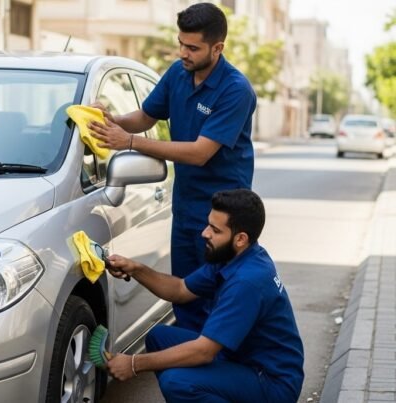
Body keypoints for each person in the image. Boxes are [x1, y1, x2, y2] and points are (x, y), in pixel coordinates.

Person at [89, 2, 257, 331]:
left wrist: (130, 142)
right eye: (181, 43)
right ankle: (190, 372)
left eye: (193, 47)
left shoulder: (236, 90)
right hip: (186, 208)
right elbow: (144, 117)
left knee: (219, 302)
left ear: (218, 47)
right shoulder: (178, 73)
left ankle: (217, 373)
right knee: (184, 298)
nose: (183, 53)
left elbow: (200, 153)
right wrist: (112, 121)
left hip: (223, 215)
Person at [104, 189, 304, 403]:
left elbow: (204, 352)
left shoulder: (247, 282)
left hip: (271, 383)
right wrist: (135, 269)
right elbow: (180, 290)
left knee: (177, 382)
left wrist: (134, 364)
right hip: (242, 359)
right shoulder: (232, 257)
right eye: (209, 224)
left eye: (215, 230)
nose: (205, 233)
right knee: (159, 337)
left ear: (240, 238)